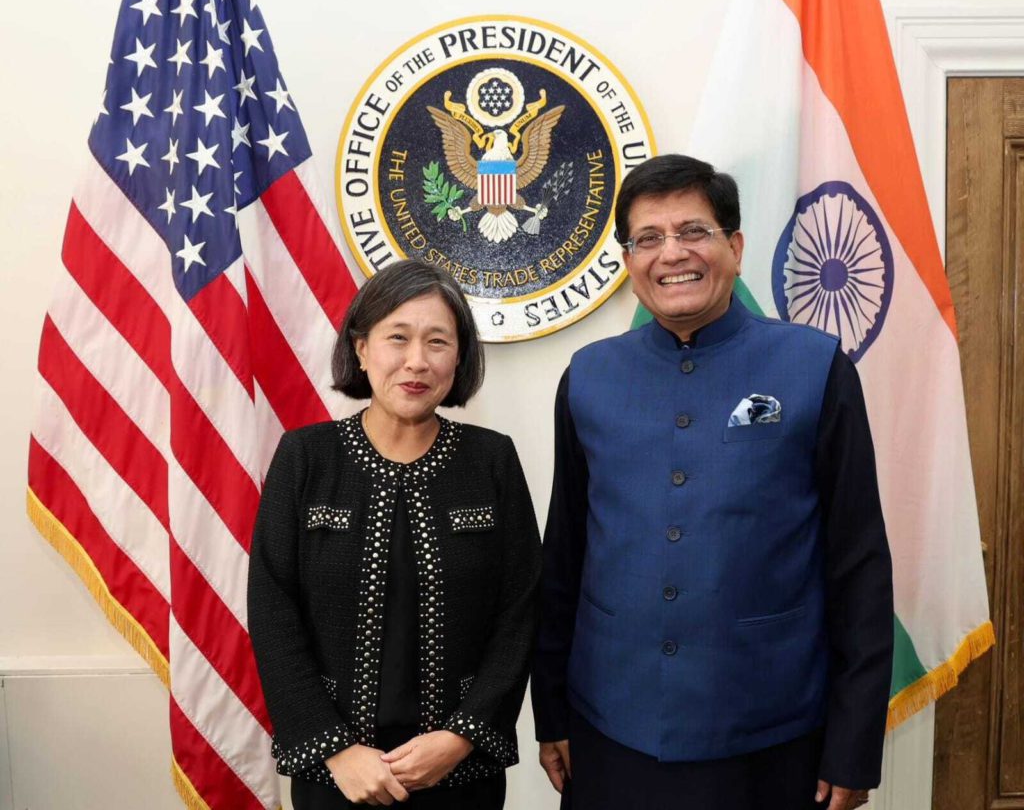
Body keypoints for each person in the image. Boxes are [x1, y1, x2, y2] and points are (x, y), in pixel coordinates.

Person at [531, 154, 894, 810]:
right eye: (648, 238)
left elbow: (859, 565)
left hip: (772, 732)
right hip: (611, 729)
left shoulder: (815, 367)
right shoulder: (588, 376)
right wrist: (550, 709)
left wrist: (854, 743)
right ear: (628, 261)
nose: (672, 253)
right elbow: (565, 556)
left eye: (693, 231)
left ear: (736, 247)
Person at [248, 259, 542, 809]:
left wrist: (462, 735)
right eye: (398, 337)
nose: (417, 361)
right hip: (336, 777)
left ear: (459, 357)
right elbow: (272, 610)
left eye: (438, 341)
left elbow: (519, 611)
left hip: (461, 775)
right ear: (361, 349)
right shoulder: (306, 457)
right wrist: (335, 749)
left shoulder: (491, 460)